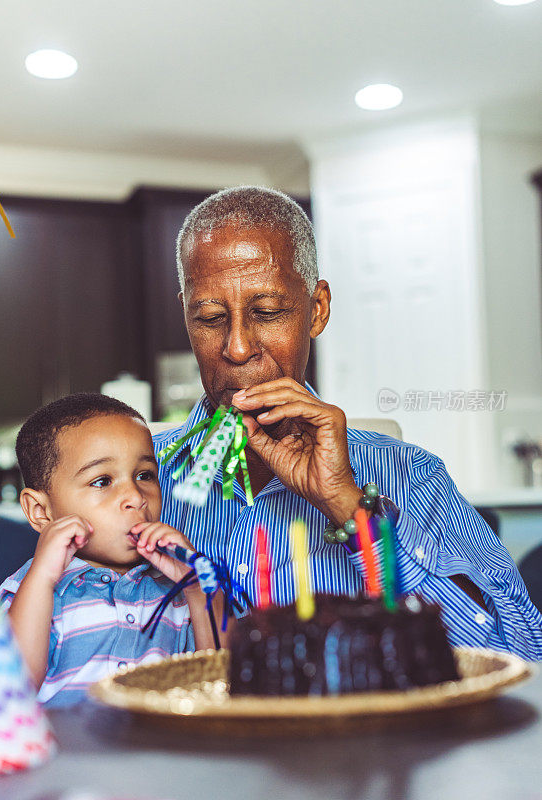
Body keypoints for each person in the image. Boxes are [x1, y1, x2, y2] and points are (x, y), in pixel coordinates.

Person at [154, 185, 542, 661]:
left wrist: (348, 505)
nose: (237, 347)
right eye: (211, 318)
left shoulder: (409, 474)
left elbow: (521, 657)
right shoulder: (132, 480)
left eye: (267, 312)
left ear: (316, 310)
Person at [0, 393, 229, 707]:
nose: (135, 496)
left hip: (157, 754)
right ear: (40, 510)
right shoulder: (31, 590)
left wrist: (200, 588)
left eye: (145, 475)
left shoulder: (176, 592)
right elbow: (8, 692)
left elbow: (224, 683)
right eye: (103, 481)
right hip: (69, 756)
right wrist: (42, 579)